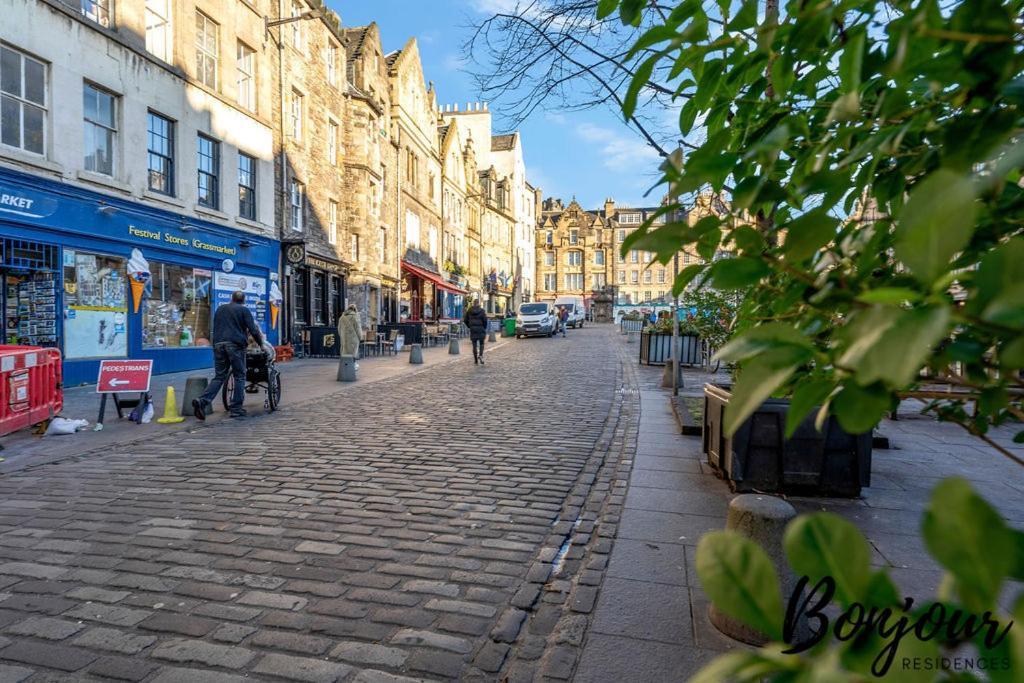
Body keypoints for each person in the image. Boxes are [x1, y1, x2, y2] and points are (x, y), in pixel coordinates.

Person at [193, 290, 265, 420]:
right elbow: (253, 330)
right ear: (243, 301)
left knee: (220, 376)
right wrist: (261, 344)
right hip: (235, 345)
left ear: (231, 299)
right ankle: (236, 408)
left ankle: (202, 401)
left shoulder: (220, 309)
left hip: (218, 344)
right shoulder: (244, 311)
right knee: (239, 375)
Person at [464, 299, 488, 364]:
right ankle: (480, 355)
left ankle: (475, 360)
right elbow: (485, 321)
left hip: (473, 329)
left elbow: (465, 320)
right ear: (478, 303)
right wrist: (484, 327)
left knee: (474, 344)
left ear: (473, 303)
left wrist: (470, 326)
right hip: (481, 329)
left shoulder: (469, 310)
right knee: (481, 343)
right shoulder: (482, 311)